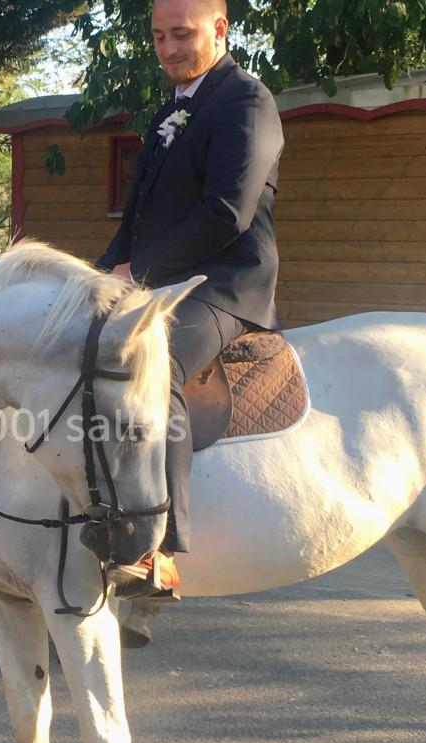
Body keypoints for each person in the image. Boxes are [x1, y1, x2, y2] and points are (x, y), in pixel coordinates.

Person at [96, 0, 284, 597]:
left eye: (182, 34)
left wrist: (140, 268)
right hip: (164, 280)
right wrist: (95, 274)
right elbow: (139, 214)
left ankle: (157, 548)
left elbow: (228, 212)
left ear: (220, 28)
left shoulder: (246, 101)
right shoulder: (169, 110)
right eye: (158, 37)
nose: (169, 49)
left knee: (156, 367)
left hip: (226, 285)